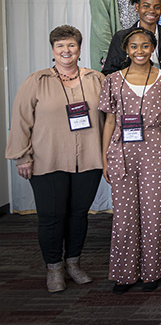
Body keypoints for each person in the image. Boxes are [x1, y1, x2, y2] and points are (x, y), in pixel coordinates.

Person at [6, 26, 105, 293]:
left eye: (71, 45)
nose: (66, 51)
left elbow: (109, 119)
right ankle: (53, 268)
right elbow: (20, 121)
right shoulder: (36, 81)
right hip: (47, 160)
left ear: (79, 49)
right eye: (60, 46)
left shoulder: (96, 79)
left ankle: (73, 264)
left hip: (88, 159)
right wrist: (22, 156)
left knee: (79, 215)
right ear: (52, 50)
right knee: (51, 217)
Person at [98, 27, 161, 294]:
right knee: (123, 214)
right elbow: (109, 120)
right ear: (126, 49)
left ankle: (152, 271)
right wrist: (105, 156)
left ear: (153, 48)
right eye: (134, 46)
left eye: (145, 45)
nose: (139, 51)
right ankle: (124, 273)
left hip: (154, 147)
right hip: (121, 149)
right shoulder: (112, 80)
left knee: (154, 211)